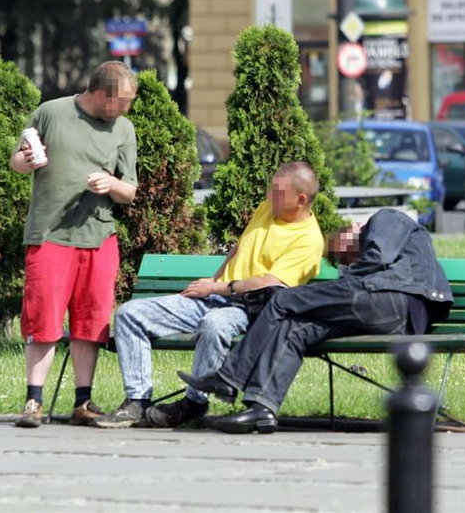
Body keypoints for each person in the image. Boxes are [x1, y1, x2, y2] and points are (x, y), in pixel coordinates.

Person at [178, 208, 454, 434]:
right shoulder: (371, 261)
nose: (350, 260)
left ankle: (228, 377)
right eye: (346, 260)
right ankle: (262, 408)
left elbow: (378, 255)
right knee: (294, 328)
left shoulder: (386, 217)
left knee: (281, 300)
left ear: (354, 228)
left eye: (346, 253)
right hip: (388, 312)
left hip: (394, 298)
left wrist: (351, 277)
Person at [93, 161, 325, 429]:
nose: (269, 196)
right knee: (130, 314)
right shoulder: (268, 208)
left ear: (301, 199)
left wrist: (215, 288)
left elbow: (269, 284)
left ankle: (194, 402)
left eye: (278, 192)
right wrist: (214, 278)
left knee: (215, 323)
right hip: (215, 294)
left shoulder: (309, 239)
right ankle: (137, 401)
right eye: (271, 189)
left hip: (250, 309)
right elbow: (239, 248)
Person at [9, 61, 139, 428]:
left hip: (99, 237)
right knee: (43, 320)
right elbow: (17, 160)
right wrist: (27, 160)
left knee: (91, 322)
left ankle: (83, 402)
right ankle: (33, 402)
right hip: (50, 235)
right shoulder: (52, 112)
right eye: (124, 101)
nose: (128, 108)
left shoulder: (124, 129)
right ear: (101, 94)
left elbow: (129, 190)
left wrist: (110, 184)